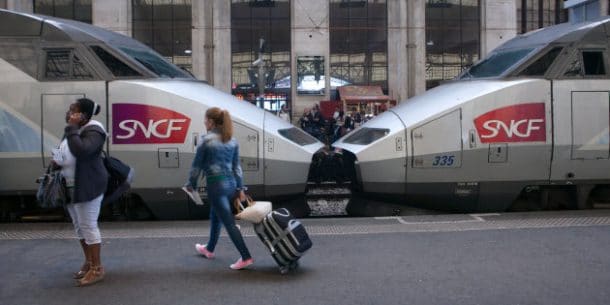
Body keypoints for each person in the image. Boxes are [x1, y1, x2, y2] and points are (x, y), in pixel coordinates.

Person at [185, 107, 254, 270]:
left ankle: (246, 257)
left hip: (216, 186)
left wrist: (191, 184)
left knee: (229, 223)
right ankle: (209, 248)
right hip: (230, 185)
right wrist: (240, 188)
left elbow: (196, 167)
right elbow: (237, 167)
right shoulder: (232, 140)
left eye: (205, 119)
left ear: (211, 122)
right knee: (215, 215)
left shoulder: (206, 140)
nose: (204, 122)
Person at [54, 98, 108, 286]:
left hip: (89, 186)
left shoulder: (95, 131)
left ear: (84, 115)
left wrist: (71, 128)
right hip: (71, 188)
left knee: (88, 226)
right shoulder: (73, 129)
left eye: (73, 110)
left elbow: (82, 151)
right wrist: (56, 160)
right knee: (80, 227)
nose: (69, 113)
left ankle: (97, 268)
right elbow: (61, 150)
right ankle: (89, 262)